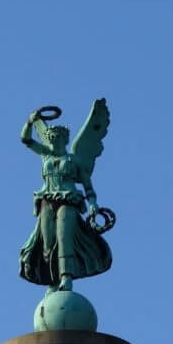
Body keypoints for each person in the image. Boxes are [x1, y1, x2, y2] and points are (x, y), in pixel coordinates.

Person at [19, 110, 112, 292]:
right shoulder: (45, 155)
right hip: (46, 201)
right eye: (51, 136)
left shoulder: (74, 160)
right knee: (47, 243)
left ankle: (66, 278)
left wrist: (93, 204)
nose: (54, 139)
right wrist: (30, 121)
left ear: (65, 139)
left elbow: (88, 186)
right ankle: (52, 279)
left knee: (64, 238)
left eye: (58, 137)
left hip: (69, 201)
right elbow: (26, 140)